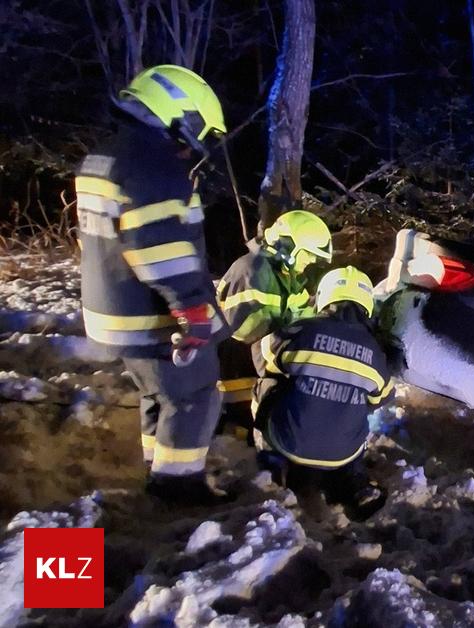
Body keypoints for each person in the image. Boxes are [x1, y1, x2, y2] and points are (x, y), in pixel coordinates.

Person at [75, 65, 229, 504]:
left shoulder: (106, 155)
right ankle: (177, 488)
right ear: (178, 115)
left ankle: (158, 467)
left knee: (159, 394)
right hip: (150, 312)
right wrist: (193, 310)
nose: (190, 148)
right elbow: (160, 250)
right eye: (192, 135)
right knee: (195, 395)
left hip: (112, 305)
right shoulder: (152, 164)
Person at [255, 266, 393, 520]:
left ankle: (271, 461)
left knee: (267, 384)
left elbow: (265, 357)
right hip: (343, 454)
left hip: (288, 443)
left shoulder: (303, 330)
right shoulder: (375, 350)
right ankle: (352, 482)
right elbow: (381, 399)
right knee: (361, 407)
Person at [215, 210, 332, 436]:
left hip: (256, 359)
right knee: (245, 426)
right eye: (307, 254)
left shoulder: (286, 275)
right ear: (287, 245)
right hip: (235, 366)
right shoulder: (252, 270)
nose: (310, 262)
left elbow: (303, 313)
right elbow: (247, 332)